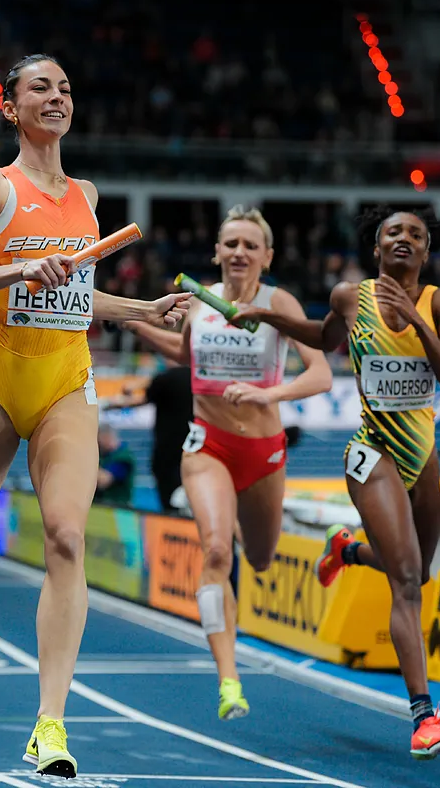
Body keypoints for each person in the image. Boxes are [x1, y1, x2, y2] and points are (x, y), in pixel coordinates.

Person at [0, 53, 191, 779]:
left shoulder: (86, 195)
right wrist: (14, 268)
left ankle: (50, 724)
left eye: (67, 87)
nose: (58, 96)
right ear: (11, 107)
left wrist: (140, 309)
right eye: (41, 87)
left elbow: (74, 298)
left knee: (67, 534)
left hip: (68, 384)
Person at [241, 205, 440, 760]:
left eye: (415, 234)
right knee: (409, 579)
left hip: (424, 458)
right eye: (393, 231)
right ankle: (423, 719)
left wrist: (417, 323)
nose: (404, 239)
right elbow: (321, 337)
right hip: (371, 453)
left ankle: (346, 549)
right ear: (377, 246)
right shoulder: (352, 297)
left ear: (425, 250)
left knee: (419, 570)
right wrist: (266, 318)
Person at [126, 205, 333, 721]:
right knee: (216, 551)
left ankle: (282, 538)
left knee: (260, 558)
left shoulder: (278, 301)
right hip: (208, 446)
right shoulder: (198, 300)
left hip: (263, 453)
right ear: (217, 253)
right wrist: (135, 321)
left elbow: (322, 374)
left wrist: (272, 395)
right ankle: (229, 681)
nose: (239, 252)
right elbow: (185, 354)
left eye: (249, 245)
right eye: (230, 244)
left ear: (266, 255)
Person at [100, 364, 193, 513]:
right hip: (194, 446)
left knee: (171, 498)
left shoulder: (165, 378)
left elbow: (143, 398)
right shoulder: (196, 377)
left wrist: (116, 404)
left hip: (168, 450)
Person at [95, 423, 135, 505]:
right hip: (99, 506)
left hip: (119, 508)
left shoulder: (122, 457)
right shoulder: (102, 455)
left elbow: (104, 480)